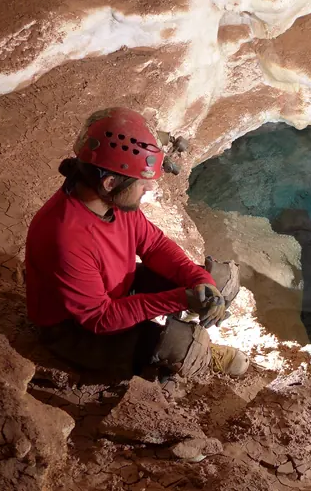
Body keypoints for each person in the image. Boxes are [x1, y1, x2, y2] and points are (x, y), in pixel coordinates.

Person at [24, 107, 248, 379]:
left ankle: (188, 317)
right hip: (75, 328)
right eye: (143, 183)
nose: (151, 188)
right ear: (109, 182)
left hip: (117, 288)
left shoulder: (111, 202)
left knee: (217, 282)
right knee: (179, 349)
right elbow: (100, 318)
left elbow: (154, 245)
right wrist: (178, 298)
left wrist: (200, 282)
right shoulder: (64, 237)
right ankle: (196, 350)